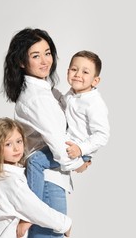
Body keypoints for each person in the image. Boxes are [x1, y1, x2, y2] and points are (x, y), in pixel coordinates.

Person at [3, 28, 91, 238]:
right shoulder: (37, 97)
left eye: (48, 53)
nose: (45, 61)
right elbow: (59, 145)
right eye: (36, 55)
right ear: (22, 62)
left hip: (49, 179)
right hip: (48, 182)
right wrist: (80, 163)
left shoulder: (45, 90)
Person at [18, 50, 110, 234]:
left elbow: (102, 135)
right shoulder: (71, 95)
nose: (78, 74)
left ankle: (30, 212)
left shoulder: (93, 103)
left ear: (95, 81)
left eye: (85, 72)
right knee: (35, 161)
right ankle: (32, 210)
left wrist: (81, 150)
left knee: (35, 161)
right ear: (67, 71)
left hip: (75, 148)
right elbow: (57, 100)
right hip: (68, 147)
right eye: (74, 69)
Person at [0, 117, 72, 238]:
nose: (16, 148)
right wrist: (65, 223)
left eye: (19, 141)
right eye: (8, 144)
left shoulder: (8, 175)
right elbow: (35, 208)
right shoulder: (11, 181)